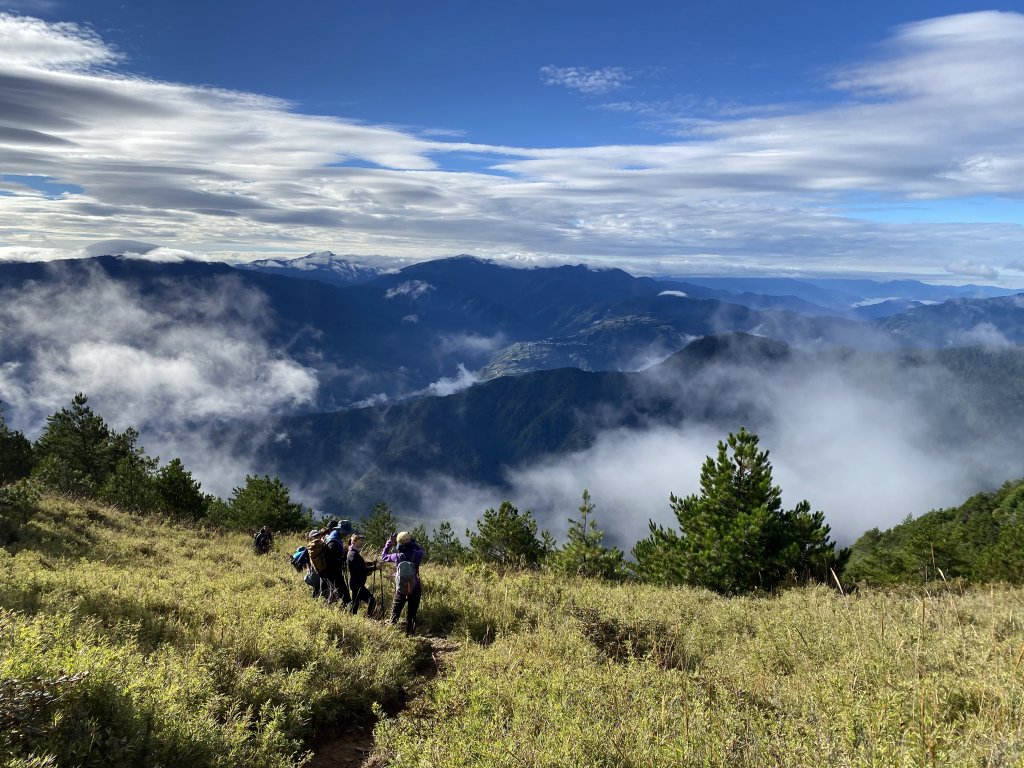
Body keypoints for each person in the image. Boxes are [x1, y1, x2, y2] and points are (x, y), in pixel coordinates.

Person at [380, 530, 425, 634]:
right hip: (415, 586)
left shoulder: (396, 556)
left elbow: (383, 556)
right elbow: (422, 550)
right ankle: (411, 635)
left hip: (400, 589)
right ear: (410, 543)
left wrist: (389, 543)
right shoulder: (417, 555)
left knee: (395, 613)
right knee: (412, 614)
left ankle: (391, 634)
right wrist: (413, 541)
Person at [321, 522, 353, 606]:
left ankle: (338, 607)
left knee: (335, 593)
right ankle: (346, 610)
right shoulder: (334, 543)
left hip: (330, 572)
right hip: (333, 573)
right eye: (346, 532)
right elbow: (333, 561)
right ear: (341, 531)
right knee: (343, 595)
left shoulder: (332, 537)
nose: (347, 535)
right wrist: (345, 553)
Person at [346, 533, 378, 616]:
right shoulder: (353, 555)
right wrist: (375, 567)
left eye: (363, 541)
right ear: (354, 542)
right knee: (372, 601)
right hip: (357, 584)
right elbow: (361, 570)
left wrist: (372, 563)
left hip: (356, 583)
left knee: (355, 604)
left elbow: (360, 564)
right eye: (360, 541)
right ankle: (369, 618)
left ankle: (352, 619)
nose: (362, 543)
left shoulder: (353, 553)